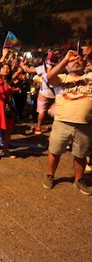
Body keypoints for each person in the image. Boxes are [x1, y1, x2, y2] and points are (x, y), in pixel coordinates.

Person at [44, 50, 92, 195]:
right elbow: (49, 76)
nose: (76, 60)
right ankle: (50, 175)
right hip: (62, 122)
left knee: (81, 154)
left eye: (78, 59)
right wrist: (65, 59)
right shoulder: (61, 78)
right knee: (55, 151)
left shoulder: (89, 77)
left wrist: (88, 56)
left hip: (85, 124)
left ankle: (78, 180)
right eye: (73, 60)